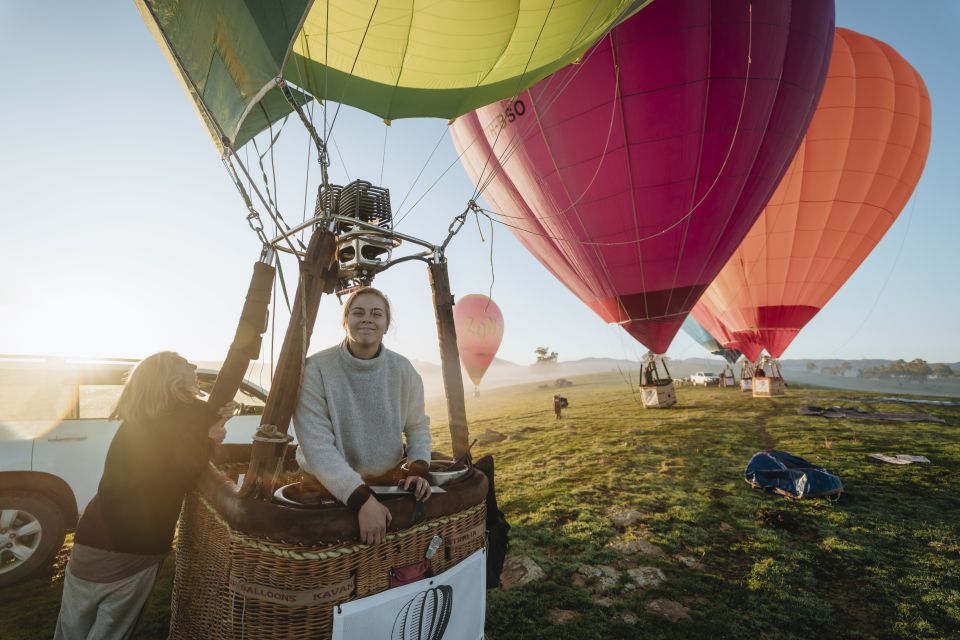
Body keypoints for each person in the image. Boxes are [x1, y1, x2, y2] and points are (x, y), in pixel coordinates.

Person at [55, 352, 235, 640]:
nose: (193, 366)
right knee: (110, 632)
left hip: (91, 532)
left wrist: (212, 426)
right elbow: (178, 475)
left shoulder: (137, 419)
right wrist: (209, 439)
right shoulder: (190, 416)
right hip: (133, 542)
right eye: (184, 362)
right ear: (171, 377)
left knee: (71, 627)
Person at [292, 287, 432, 546]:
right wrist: (361, 499)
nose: (367, 318)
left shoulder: (403, 370)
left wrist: (418, 467)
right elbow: (317, 446)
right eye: (358, 312)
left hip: (386, 481)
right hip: (323, 486)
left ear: (386, 325)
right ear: (345, 321)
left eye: (377, 314)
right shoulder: (316, 369)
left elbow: (417, 425)